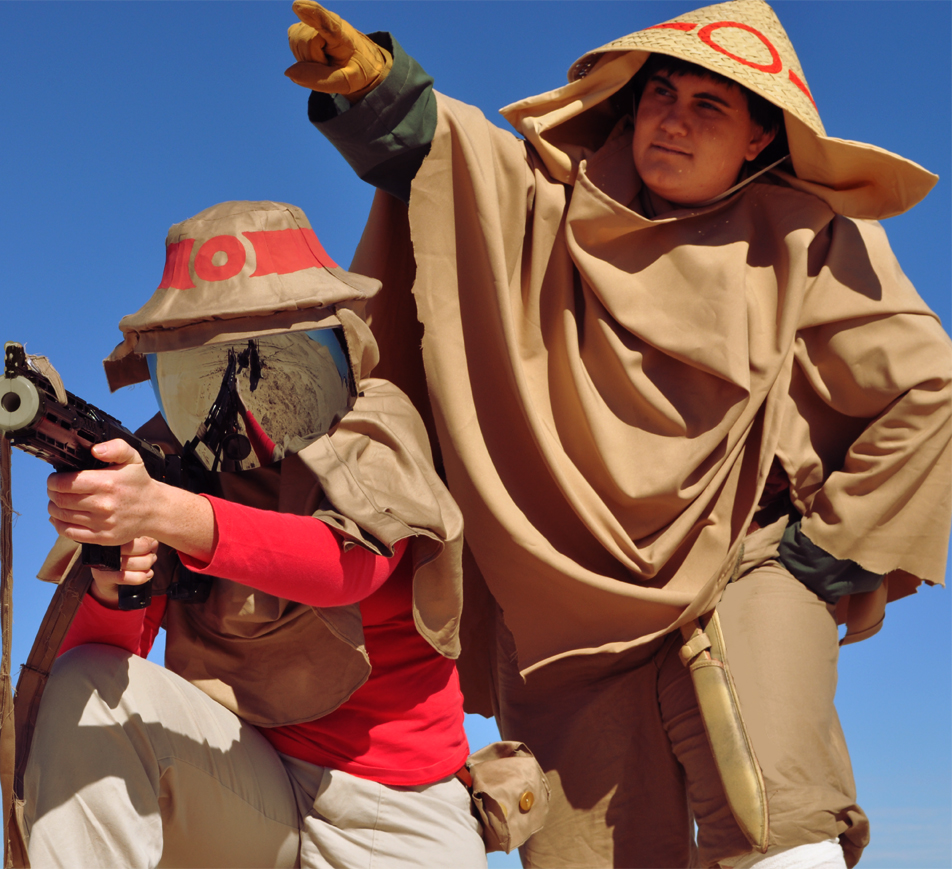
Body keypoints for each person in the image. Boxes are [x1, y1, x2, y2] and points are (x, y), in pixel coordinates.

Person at [284, 1, 952, 867]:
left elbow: (929, 387)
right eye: (660, 94)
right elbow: (454, 169)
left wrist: (831, 550)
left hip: (744, 562)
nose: (672, 119)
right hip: (564, 599)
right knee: (583, 854)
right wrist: (379, 90)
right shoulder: (554, 205)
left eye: (708, 105)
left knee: (782, 826)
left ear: (759, 136)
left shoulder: (808, 235)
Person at [25, 200, 489, 868]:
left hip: (393, 806)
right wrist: (112, 578)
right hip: (243, 778)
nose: (236, 404)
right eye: (206, 378)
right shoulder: (168, 459)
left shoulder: (373, 419)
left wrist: (163, 512)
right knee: (82, 684)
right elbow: (101, 666)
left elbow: (346, 567)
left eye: (271, 365)